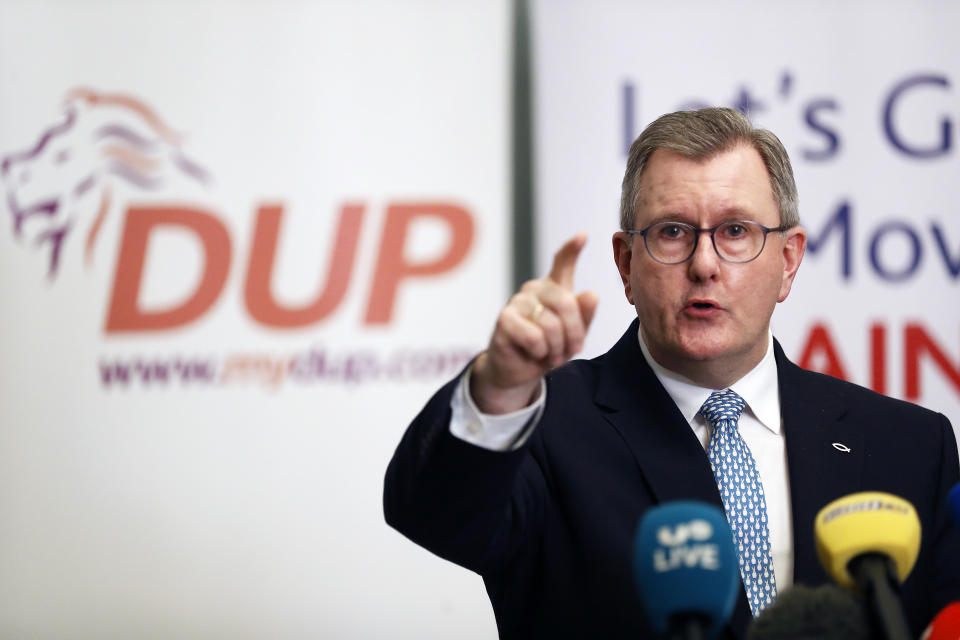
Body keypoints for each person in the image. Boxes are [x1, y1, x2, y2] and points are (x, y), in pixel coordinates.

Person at [383, 108, 960, 639]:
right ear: (627, 265)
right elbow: (437, 515)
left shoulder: (908, 445)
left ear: (787, 262)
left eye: (736, 231)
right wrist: (501, 384)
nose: (704, 265)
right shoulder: (542, 427)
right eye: (673, 232)